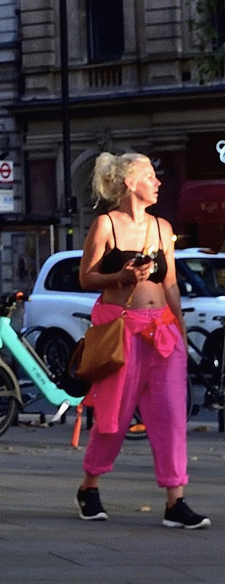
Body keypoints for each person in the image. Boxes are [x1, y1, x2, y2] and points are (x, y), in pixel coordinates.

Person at [75, 152, 209, 529]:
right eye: (150, 175)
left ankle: (175, 501)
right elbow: (86, 279)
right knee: (113, 418)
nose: (158, 182)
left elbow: (169, 283)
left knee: (170, 417)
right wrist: (122, 276)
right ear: (130, 183)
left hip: (162, 331)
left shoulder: (162, 228)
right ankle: (90, 486)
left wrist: (180, 329)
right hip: (121, 330)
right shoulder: (106, 226)